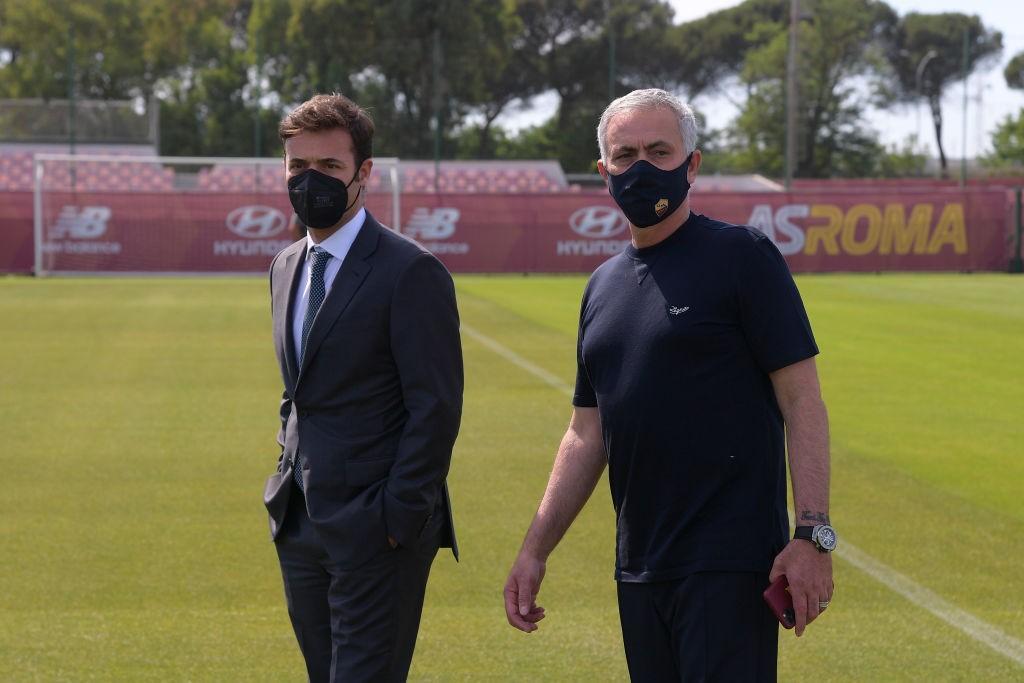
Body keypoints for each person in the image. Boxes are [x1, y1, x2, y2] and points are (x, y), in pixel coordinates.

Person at [503, 88, 836, 682]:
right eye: (625, 155)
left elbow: (802, 399)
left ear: (692, 164)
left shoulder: (742, 257)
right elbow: (587, 432)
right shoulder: (602, 287)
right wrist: (535, 549)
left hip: (729, 566)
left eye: (659, 151)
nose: (643, 168)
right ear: (603, 172)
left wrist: (812, 533)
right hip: (639, 567)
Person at [263, 93, 463, 682]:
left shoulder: (410, 271)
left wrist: (396, 519)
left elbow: (436, 407)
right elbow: (298, 391)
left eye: (329, 167)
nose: (311, 180)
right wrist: (285, 474)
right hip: (300, 523)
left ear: (364, 173)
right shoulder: (283, 266)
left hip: (378, 533)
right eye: (299, 167)